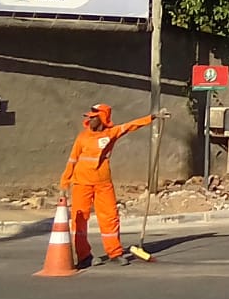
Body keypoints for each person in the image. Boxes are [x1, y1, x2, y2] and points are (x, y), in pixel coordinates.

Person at [60, 103, 158, 268]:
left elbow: (130, 126)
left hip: (103, 184)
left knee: (110, 218)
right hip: (81, 184)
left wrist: (152, 118)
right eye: (89, 117)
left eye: (93, 117)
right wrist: (64, 182)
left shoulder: (111, 133)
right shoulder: (82, 138)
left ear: (103, 118)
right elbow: (72, 160)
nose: (89, 120)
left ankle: (115, 253)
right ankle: (84, 256)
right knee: (79, 220)